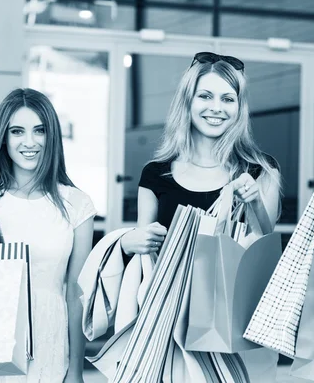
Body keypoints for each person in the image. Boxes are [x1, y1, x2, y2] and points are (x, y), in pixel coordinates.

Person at [119, 51, 282, 381]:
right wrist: (127, 241)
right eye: (205, 96)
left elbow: (264, 247)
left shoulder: (260, 170)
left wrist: (253, 202)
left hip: (231, 327)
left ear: (239, 107)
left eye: (228, 98)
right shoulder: (156, 174)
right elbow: (142, 255)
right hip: (167, 328)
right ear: (187, 101)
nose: (216, 108)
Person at [0, 88, 96, 383]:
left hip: (50, 341)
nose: (29, 142)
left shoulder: (77, 204)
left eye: (39, 131)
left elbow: (76, 292)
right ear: (3, 138)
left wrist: (77, 369)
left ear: (52, 136)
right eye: (17, 131)